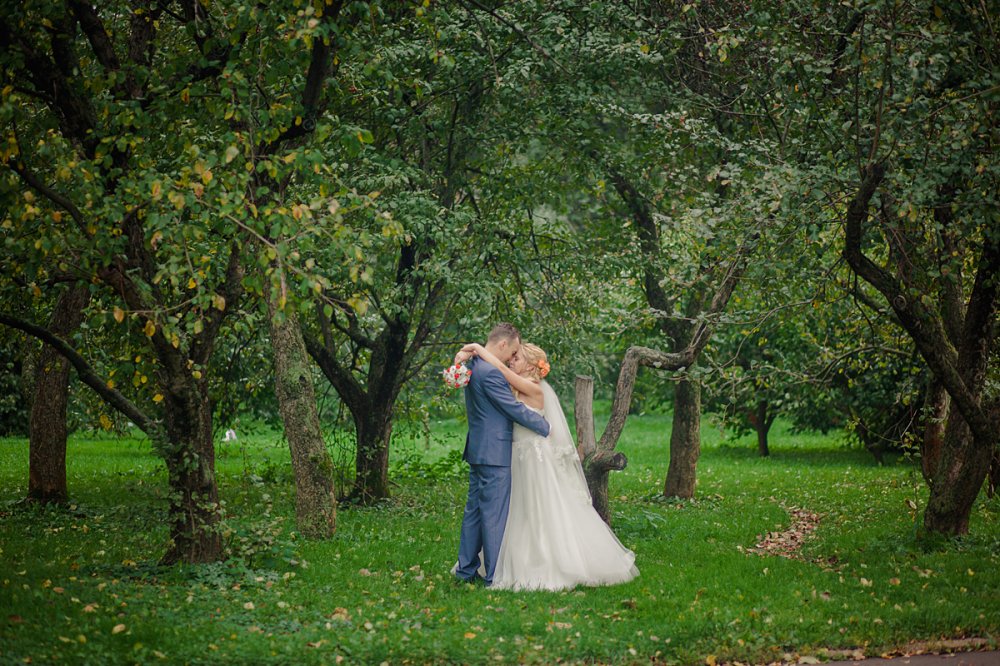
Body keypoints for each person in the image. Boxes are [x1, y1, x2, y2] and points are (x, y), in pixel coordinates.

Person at [453, 341, 639, 591]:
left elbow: (501, 370)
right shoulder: (516, 385)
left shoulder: (533, 387)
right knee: (517, 512)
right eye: (512, 357)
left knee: (538, 509)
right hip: (515, 456)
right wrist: (465, 356)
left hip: (533, 457)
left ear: (531, 365)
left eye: (517, 358)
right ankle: (507, 560)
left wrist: (477, 348)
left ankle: (546, 562)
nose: (511, 361)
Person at [455, 323, 551, 587]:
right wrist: (546, 427)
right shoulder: (491, 374)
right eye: (513, 351)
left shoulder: (473, 366)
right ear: (502, 344)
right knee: (493, 516)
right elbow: (513, 409)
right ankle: (495, 576)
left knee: (474, 512)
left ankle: (466, 570)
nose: (512, 357)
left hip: (478, 449)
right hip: (495, 454)